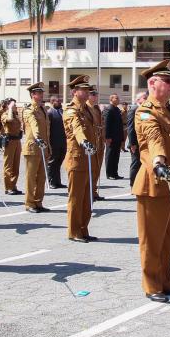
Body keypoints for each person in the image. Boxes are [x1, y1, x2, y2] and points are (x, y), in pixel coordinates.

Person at [132, 60, 170, 302]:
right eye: (167, 81)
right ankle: (151, 285)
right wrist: (159, 161)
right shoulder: (145, 111)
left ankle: (166, 281)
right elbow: (152, 139)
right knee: (152, 239)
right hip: (155, 184)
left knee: (168, 237)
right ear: (152, 83)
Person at [63, 76, 99, 243]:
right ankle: (74, 231)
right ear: (74, 92)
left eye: (87, 90)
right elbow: (76, 128)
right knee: (76, 197)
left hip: (90, 159)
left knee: (87, 197)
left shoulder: (88, 110)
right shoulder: (71, 111)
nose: (86, 92)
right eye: (83, 90)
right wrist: (84, 141)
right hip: (77, 159)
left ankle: (84, 228)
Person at [23, 82, 51, 213]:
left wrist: (48, 146)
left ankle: (38, 202)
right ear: (32, 95)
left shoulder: (43, 110)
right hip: (33, 148)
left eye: (41, 92)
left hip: (43, 148)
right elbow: (34, 125)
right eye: (38, 93)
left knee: (41, 177)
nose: (41, 95)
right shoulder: (29, 110)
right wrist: (38, 137)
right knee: (31, 177)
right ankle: (29, 203)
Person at [1, 99, 23, 195]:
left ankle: (13, 185)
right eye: (13, 105)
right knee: (8, 165)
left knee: (16, 165)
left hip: (17, 141)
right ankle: (8, 187)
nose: (15, 106)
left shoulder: (15, 115)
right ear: (7, 106)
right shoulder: (5, 114)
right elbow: (9, 120)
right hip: (9, 141)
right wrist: (10, 108)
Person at [127, 91, 148, 186]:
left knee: (142, 163)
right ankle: (133, 184)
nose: (146, 99)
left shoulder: (144, 110)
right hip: (135, 143)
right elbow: (131, 128)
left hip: (143, 142)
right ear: (138, 100)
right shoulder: (134, 109)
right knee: (135, 164)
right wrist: (132, 143)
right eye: (144, 97)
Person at [87, 89, 105, 200]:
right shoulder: (86, 108)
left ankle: (93, 191)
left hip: (99, 142)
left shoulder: (97, 108)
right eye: (93, 94)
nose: (95, 96)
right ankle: (88, 192)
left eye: (96, 94)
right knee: (91, 169)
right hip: (91, 142)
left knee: (97, 169)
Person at [103, 93, 125, 179]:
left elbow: (120, 125)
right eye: (116, 98)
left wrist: (122, 138)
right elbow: (106, 124)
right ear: (111, 99)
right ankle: (109, 174)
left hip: (118, 137)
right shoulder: (109, 109)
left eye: (118, 98)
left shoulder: (117, 109)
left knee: (116, 156)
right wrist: (107, 137)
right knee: (110, 155)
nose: (118, 99)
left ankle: (115, 173)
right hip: (111, 137)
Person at [47, 94, 67, 189]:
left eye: (60, 101)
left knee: (59, 161)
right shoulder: (50, 113)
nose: (59, 102)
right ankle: (51, 181)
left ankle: (57, 181)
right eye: (57, 101)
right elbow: (48, 128)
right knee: (52, 162)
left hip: (63, 141)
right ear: (52, 102)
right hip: (53, 141)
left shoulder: (62, 112)